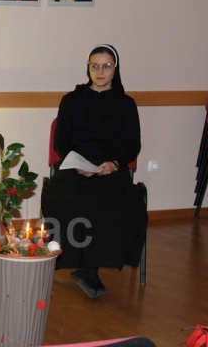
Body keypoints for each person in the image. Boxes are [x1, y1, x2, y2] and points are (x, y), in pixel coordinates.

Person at [41, 44, 147, 299]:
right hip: (74, 166)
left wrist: (115, 163)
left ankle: (89, 269)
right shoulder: (71, 100)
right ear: (88, 68)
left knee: (109, 199)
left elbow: (132, 144)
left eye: (106, 66)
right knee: (74, 196)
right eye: (95, 66)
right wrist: (75, 161)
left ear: (115, 69)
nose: (100, 71)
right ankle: (63, 259)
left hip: (111, 168)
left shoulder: (126, 104)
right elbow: (61, 140)